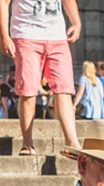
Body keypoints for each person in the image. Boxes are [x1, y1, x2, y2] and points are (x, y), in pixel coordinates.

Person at [0, 0, 81, 156]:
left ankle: (72, 143)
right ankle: (27, 143)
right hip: (26, 35)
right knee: (28, 91)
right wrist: (4, 35)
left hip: (58, 37)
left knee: (64, 90)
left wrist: (76, 23)